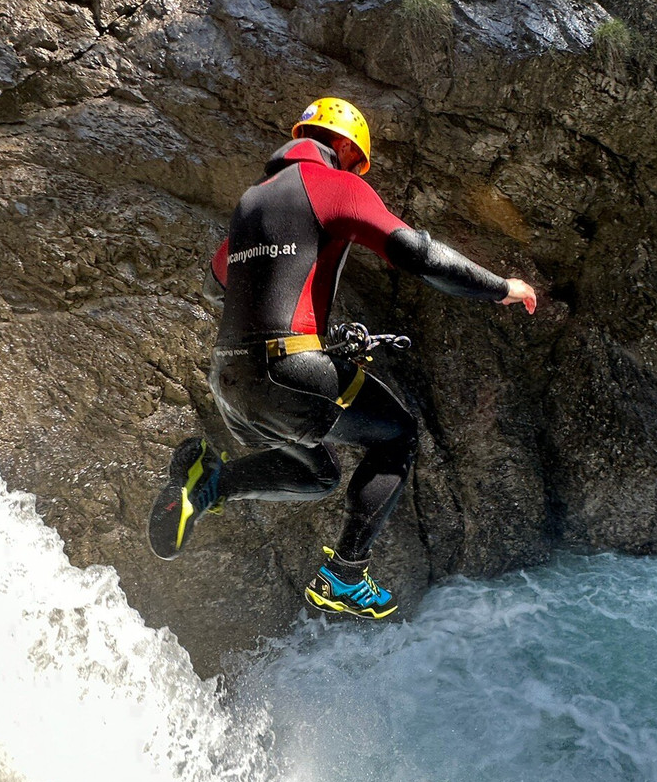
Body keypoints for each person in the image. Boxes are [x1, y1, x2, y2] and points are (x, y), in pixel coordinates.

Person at [149, 97, 537, 619]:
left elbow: (218, 282)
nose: (358, 172)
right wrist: (499, 287)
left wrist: (309, 335)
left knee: (317, 475)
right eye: (359, 164)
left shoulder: (251, 203)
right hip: (286, 368)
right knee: (397, 433)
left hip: (233, 381)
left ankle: (208, 483)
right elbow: (415, 253)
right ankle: (347, 573)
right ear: (346, 147)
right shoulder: (331, 183)